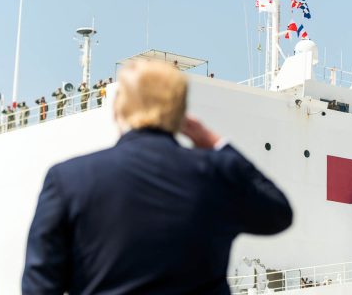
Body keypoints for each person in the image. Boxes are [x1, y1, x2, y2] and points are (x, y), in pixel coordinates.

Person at [22, 60, 293, 295]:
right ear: (181, 114)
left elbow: (40, 285)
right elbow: (278, 213)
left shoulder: (68, 179)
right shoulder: (214, 174)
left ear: (118, 110)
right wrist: (215, 143)